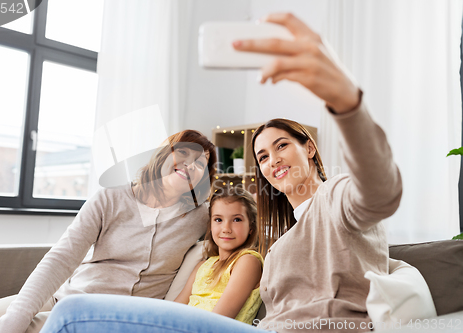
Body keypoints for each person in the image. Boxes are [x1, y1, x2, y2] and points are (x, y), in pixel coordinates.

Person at [38, 12, 402, 333]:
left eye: (281, 146)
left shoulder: (336, 199)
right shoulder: (280, 246)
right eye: (261, 156)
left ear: (308, 147)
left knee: (71, 314)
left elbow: (379, 191)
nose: (271, 159)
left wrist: (346, 103)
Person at [0, 129, 217, 333]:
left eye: (200, 164)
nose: (190, 165)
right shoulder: (110, 198)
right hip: (64, 295)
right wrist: (18, 313)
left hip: (100, 316)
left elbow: (241, 228)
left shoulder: (201, 217)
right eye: (184, 153)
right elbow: (61, 258)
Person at [174, 187, 263, 324]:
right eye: (218, 220)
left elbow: (217, 322)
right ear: (210, 225)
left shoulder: (247, 261)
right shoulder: (202, 266)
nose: (226, 229)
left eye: (237, 220)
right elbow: (175, 309)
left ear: (251, 227)